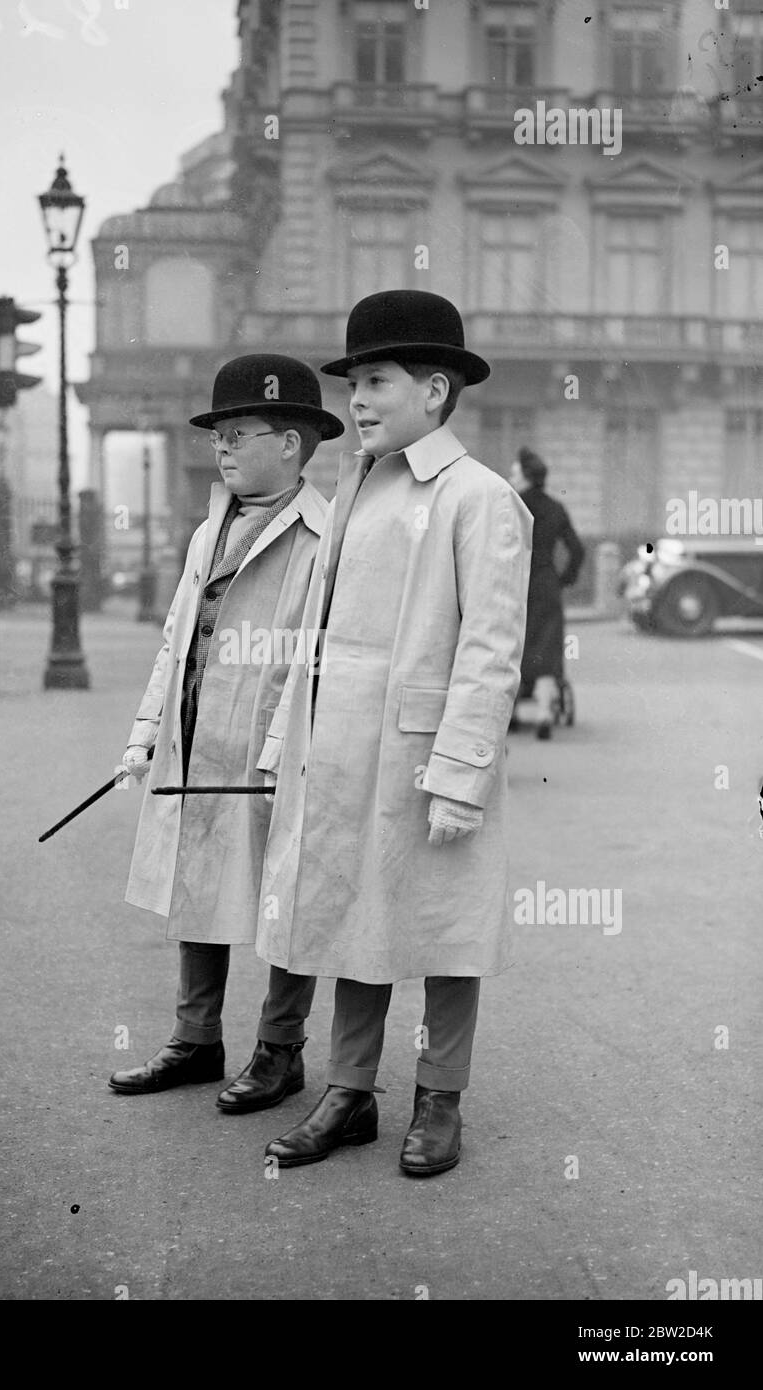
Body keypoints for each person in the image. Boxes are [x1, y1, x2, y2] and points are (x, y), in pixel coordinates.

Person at [255, 291, 532, 1175]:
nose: (357, 401)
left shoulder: (479, 498)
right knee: (353, 916)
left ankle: (441, 1100)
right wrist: (280, 746)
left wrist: (460, 772)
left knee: (447, 929)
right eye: (352, 383)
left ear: (437, 391)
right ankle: (349, 1093)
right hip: (338, 754)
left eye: (376, 380)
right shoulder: (353, 489)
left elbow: (491, 651)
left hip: (424, 759)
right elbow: (318, 634)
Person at [109, 355, 345, 1115]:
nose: (222, 447)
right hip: (196, 734)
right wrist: (145, 735)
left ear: (292, 441)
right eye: (219, 434)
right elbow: (175, 640)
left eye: (239, 433)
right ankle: (196, 1039)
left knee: (286, 893)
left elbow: (313, 661)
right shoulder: (208, 529)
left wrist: (281, 754)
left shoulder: (324, 537)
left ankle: (281, 1052)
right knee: (197, 882)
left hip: (272, 746)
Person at [508, 446, 585, 740]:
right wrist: (564, 579)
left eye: (514, 472)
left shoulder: (512, 505)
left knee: (513, 648)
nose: (510, 476)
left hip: (516, 585)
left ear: (526, 476)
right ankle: (543, 713)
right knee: (546, 652)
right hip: (546, 586)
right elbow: (577, 549)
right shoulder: (556, 508)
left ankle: (511, 712)